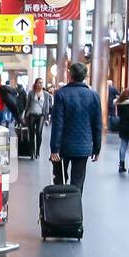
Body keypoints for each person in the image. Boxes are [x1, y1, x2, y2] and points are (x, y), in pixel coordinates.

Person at [49, 61, 102, 192]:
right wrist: (96, 148)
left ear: (70, 75)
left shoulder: (61, 94)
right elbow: (97, 124)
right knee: (78, 182)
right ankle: (75, 209)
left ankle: (60, 207)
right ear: (85, 76)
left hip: (63, 146)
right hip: (83, 146)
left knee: (60, 179)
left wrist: (54, 149)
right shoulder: (94, 96)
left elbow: (58, 123)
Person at [23, 79, 52, 160]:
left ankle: (38, 151)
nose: (41, 84)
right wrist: (25, 115)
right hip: (32, 114)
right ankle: (32, 152)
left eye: (42, 83)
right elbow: (27, 104)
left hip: (41, 115)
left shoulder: (46, 94)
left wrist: (47, 118)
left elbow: (47, 107)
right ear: (35, 84)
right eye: (39, 83)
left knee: (39, 133)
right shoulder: (31, 93)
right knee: (31, 134)